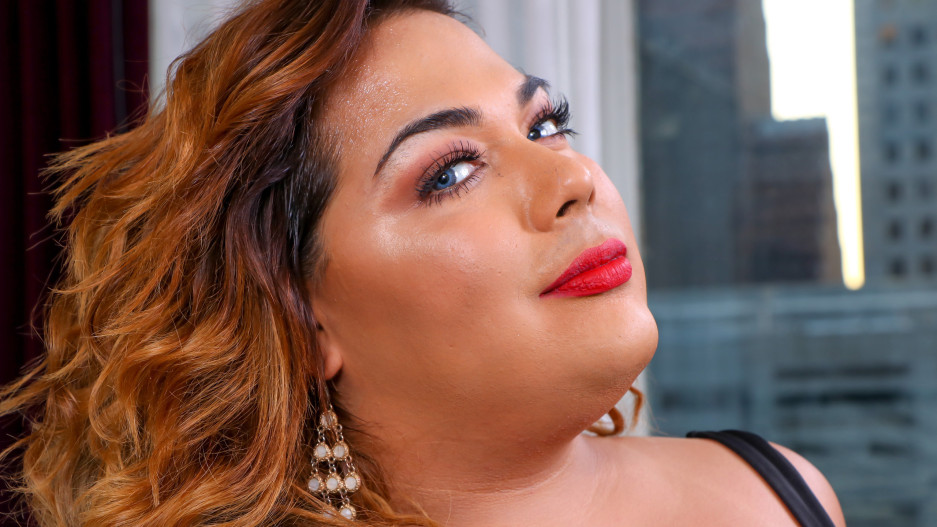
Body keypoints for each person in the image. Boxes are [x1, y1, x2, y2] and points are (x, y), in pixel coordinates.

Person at [0, 0, 846, 525]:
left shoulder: (780, 494)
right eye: (449, 172)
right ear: (301, 315)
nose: (572, 179)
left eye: (545, 124)